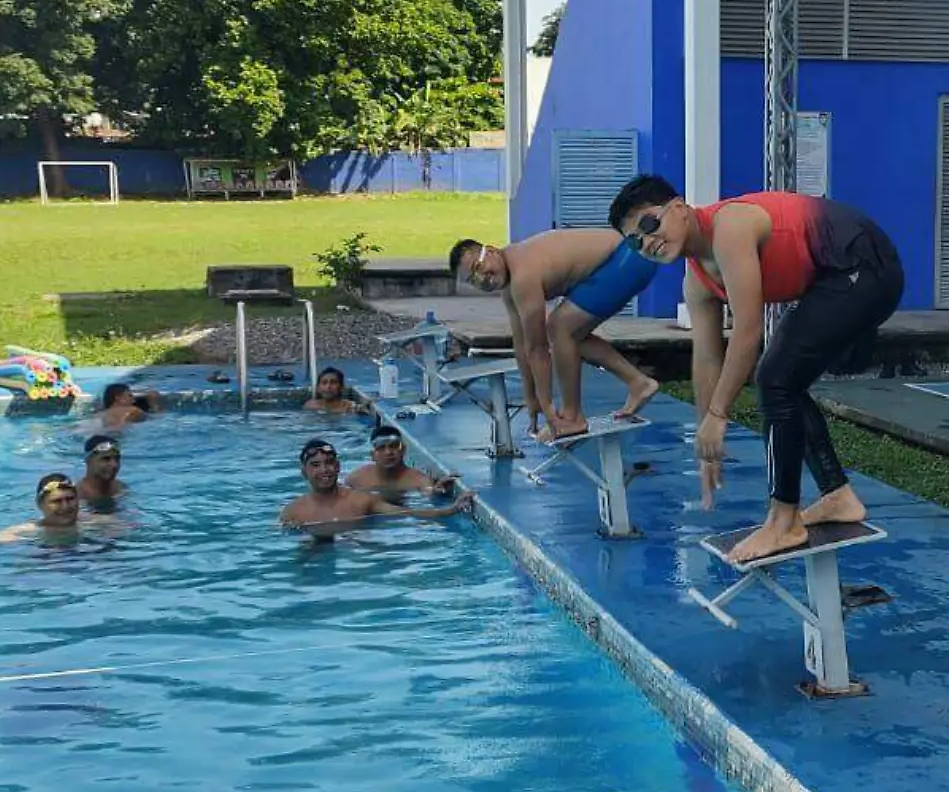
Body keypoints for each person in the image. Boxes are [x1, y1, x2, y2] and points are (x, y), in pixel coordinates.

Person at [608, 175, 904, 566]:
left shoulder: (729, 228)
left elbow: (747, 332)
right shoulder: (695, 281)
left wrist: (720, 414)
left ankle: (784, 520)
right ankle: (837, 496)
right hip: (831, 277)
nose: (647, 241)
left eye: (648, 224)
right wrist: (705, 440)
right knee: (785, 380)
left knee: (775, 377)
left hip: (863, 263)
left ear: (678, 207)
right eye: (635, 240)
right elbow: (707, 359)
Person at [450, 230, 660, 442]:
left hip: (628, 258)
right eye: (472, 280)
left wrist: (548, 406)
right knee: (570, 333)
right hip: (627, 258)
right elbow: (522, 345)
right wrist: (531, 398)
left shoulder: (522, 275)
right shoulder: (510, 284)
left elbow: (538, 348)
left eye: (478, 267)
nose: (481, 279)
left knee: (560, 328)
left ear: (492, 251)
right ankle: (639, 383)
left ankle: (572, 417)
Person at [279, 438, 474, 537]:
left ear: (338, 466)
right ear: (303, 472)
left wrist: (451, 509)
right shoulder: (292, 512)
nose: (324, 470)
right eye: (315, 465)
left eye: (329, 463)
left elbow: (408, 512)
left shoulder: (362, 500)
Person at [344, 424, 459, 501]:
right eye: (381, 448)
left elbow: (428, 496)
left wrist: (436, 493)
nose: (388, 452)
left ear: (403, 450)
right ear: (372, 455)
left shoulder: (418, 480)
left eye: (394, 447)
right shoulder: (356, 478)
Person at [0, 473, 85, 544]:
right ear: (40, 504)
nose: (65, 506)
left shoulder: (92, 523)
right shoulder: (28, 532)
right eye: (57, 501)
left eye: (70, 499)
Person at [78, 434, 128, 507]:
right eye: (106, 459)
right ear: (88, 460)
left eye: (117, 459)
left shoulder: (121, 489)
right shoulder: (77, 495)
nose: (114, 465)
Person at [304, 367, 371, 416]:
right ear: (318, 388)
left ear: (341, 387)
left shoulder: (350, 407)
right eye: (324, 383)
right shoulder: (311, 406)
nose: (328, 387)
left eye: (333, 382)